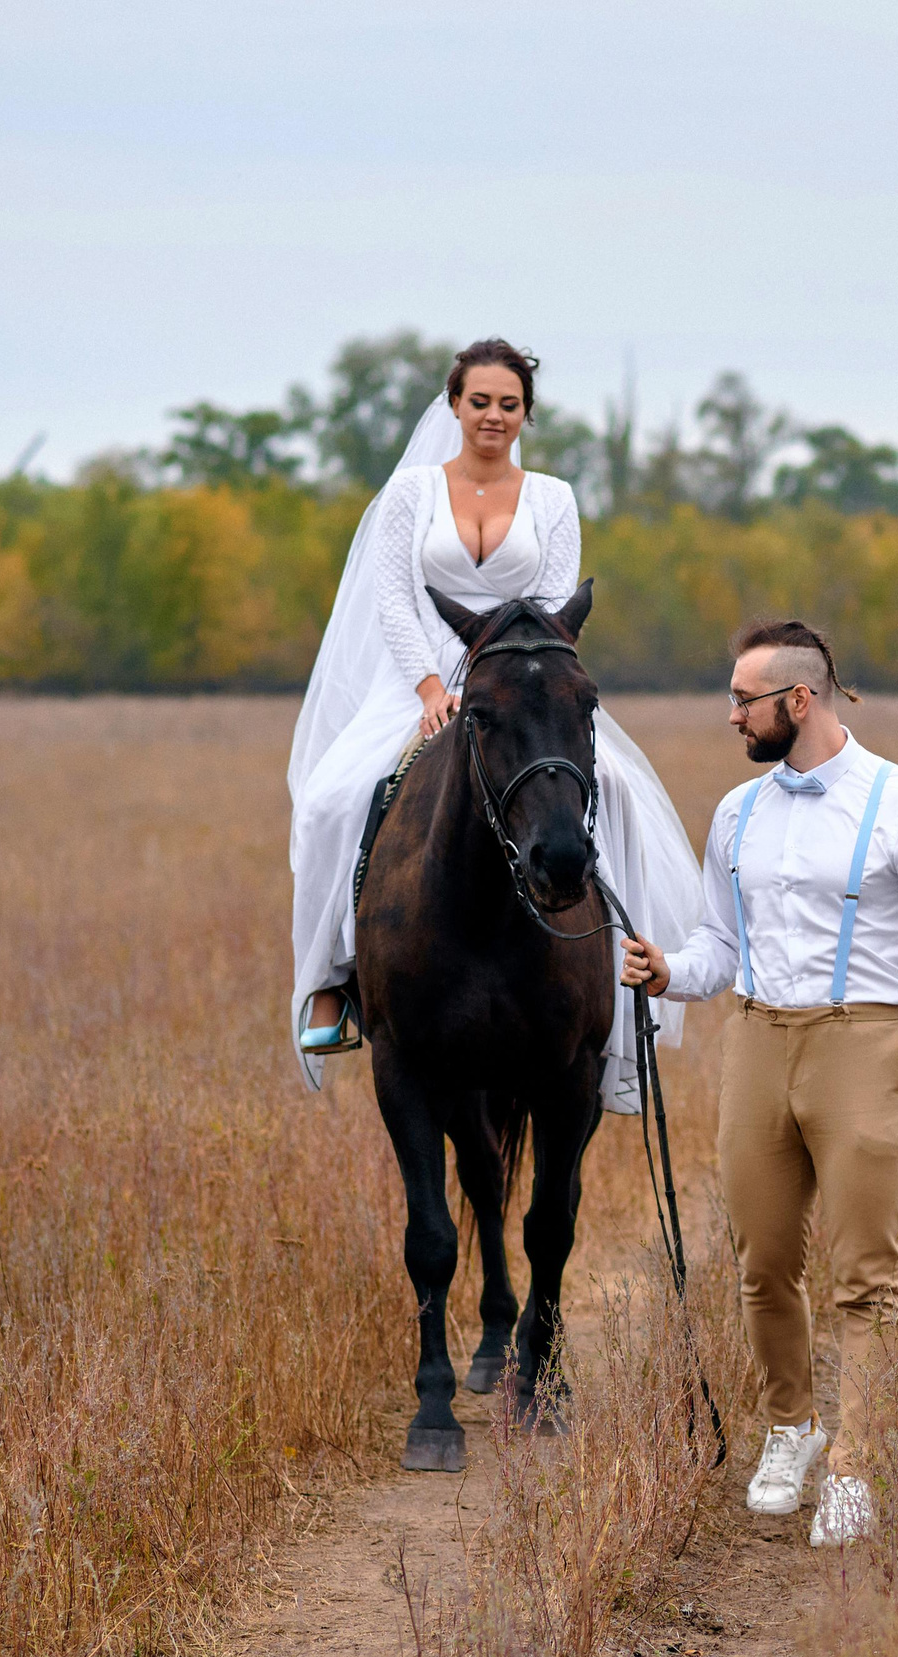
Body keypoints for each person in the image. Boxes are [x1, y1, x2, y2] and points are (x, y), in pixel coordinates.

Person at [619, 619, 898, 1546]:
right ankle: (793, 1427)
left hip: (864, 1044)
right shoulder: (736, 813)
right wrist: (666, 969)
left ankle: (856, 1467)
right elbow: (720, 948)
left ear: (798, 701)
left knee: (866, 1275)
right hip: (757, 1044)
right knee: (762, 1260)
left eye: (744, 699)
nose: (729, 714)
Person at [289, 338, 702, 1106]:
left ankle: (625, 999)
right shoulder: (410, 494)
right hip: (414, 683)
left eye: (509, 404)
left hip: (522, 684)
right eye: (479, 401)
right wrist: (426, 689)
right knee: (329, 800)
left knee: (617, 797)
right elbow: (393, 600)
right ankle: (333, 983)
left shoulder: (554, 498)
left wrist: (497, 679)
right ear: (454, 405)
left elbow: (547, 611)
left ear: (525, 414)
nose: (493, 415)